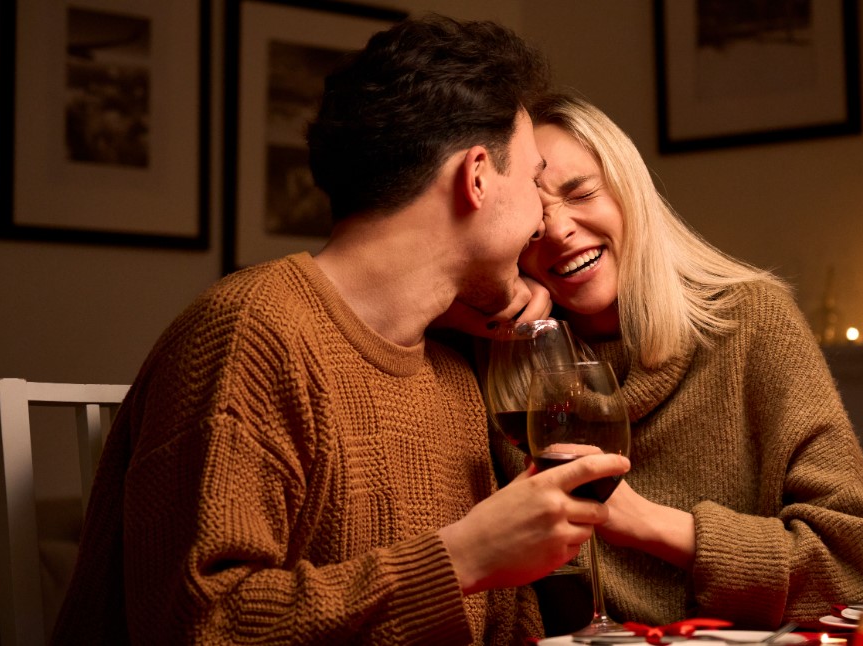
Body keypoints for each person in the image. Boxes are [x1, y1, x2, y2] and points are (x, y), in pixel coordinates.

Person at [51, 19, 630, 645]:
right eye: (533, 177)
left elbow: (504, 626)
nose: (543, 225)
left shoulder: (452, 374)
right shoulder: (249, 334)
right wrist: (459, 558)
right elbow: (198, 624)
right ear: (479, 175)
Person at [488, 92, 863, 634]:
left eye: (581, 193)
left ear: (630, 193)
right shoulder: (504, 364)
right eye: (533, 216)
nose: (561, 228)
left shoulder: (751, 322)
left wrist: (644, 523)